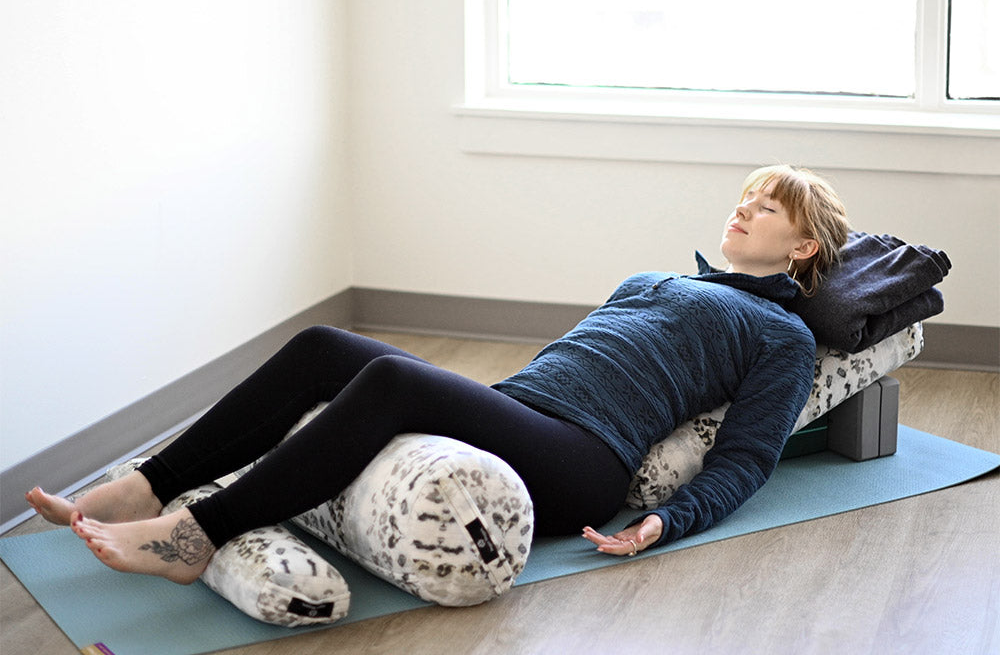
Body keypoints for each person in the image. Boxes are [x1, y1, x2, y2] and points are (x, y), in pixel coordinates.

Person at [27, 164, 849, 584]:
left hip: (582, 464)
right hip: (523, 413)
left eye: (765, 206)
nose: (741, 208)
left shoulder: (778, 333)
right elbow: (566, 369)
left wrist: (668, 520)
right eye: (743, 195)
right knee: (325, 344)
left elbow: (747, 457)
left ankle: (192, 538)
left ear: (802, 246)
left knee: (393, 381)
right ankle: (149, 484)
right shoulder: (654, 280)